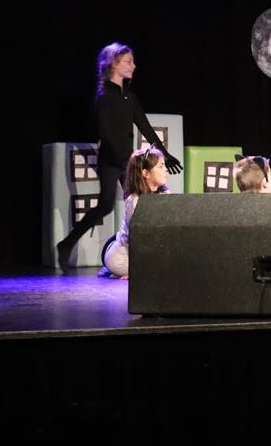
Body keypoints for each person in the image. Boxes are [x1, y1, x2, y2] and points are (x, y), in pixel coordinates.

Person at [57, 43, 181, 268]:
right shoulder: (104, 97)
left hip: (127, 160)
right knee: (106, 206)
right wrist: (127, 160)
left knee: (145, 201)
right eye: (128, 62)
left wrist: (165, 153)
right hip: (111, 161)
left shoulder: (129, 98)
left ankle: (147, 253)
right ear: (114, 64)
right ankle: (67, 244)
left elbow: (145, 127)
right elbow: (105, 133)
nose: (134, 66)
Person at [101, 146, 169, 279]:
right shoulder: (135, 201)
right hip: (122, 257)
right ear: (146, 173)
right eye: (161, 166)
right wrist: (137, 271)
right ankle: (114, 270)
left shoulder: (165, 194)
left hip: (137, 249)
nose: (166, 169)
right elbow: (139, 240)